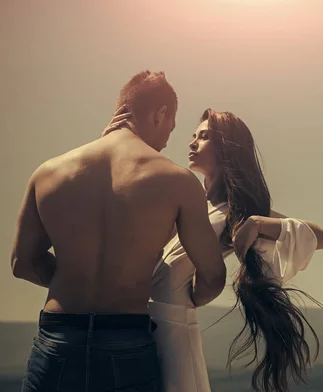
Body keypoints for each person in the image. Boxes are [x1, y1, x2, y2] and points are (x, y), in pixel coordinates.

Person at [11, 71, 226, 392]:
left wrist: (73, 279)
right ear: (161, 113)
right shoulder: (177, 181)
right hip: (126, 341)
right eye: (172, 126)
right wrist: (179, 298)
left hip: (58, 338)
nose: (168, 138)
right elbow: (212, 276)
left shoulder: (48, 172)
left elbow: (23, 263)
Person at [105, 107, 323, 392]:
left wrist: (259, 223)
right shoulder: (187, 204)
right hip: (134, 329)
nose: (192, 142)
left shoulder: (234, 212)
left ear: (227, 148)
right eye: (193, 136)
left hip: (171, 336)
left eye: (204, 137)